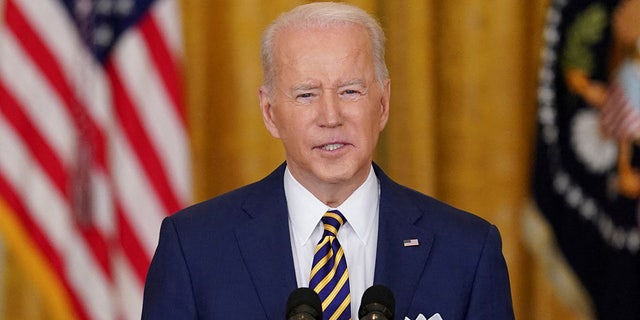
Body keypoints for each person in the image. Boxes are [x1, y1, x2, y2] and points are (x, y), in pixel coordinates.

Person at [141, 2, 514, 319]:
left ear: (382, 104)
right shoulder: (193, 249)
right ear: (270, 113)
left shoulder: (468, 251)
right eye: (306, 95)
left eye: (350, 91)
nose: (331, 116)